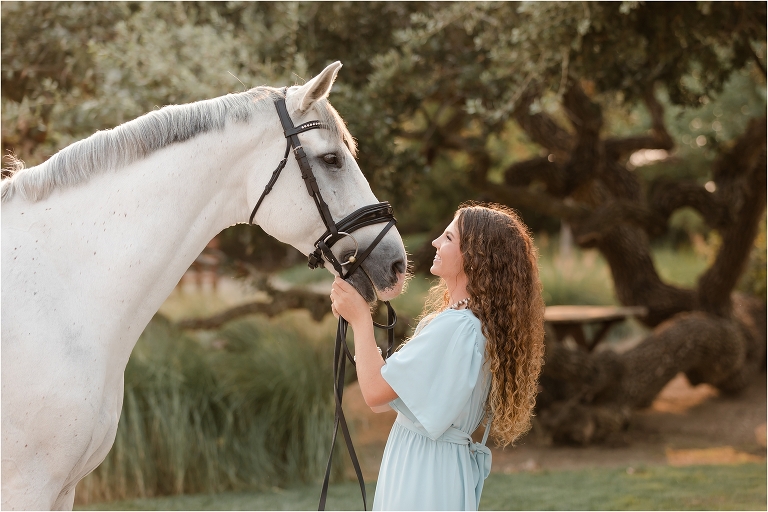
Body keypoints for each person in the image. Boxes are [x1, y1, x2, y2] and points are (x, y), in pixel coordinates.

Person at [329, 203, 545, 511]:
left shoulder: (457, 328)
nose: (435, 243)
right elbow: (380, 400)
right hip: (431, 462)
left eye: (448, 238)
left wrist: (361, 321)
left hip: (425, 469)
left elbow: (374, 391)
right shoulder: (465, 324)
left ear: (473, 255)